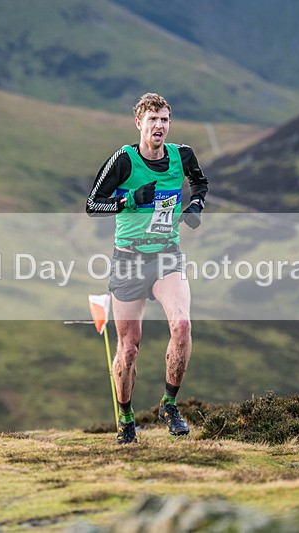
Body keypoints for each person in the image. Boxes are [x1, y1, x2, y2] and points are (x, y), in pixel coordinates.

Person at [85, 93, 208, 444]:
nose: (159, 126)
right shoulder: (124, 160)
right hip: (129, 258)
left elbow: (201, 183)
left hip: (167, 255)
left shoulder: (181, 155)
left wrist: (196, 206)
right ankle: (125, 418)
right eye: (152, 119)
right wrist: (129, 200)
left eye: (165, 119)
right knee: (129, 347)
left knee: (182, 325)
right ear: (139, 123)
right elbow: (93, 204)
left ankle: (169, 404)